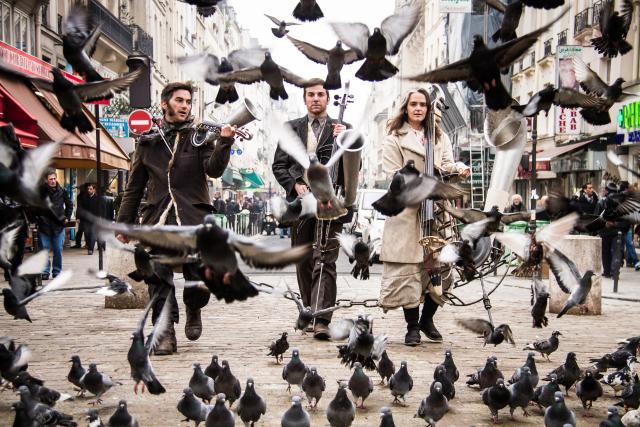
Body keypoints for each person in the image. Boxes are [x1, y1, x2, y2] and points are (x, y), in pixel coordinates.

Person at [116, 82, 236, 355]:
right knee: (157, 275)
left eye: (188, 102)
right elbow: (134, 187)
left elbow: (214, 170)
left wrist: (224, 142)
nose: (184, 106)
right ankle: (165, 331)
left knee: (197, 275)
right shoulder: (147, 142)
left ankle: (194, 307)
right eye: (179, 101)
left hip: (193, 217)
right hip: (158, 218)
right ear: (165, 103)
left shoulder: (200, 136)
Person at [378, 88, 470, 346]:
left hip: (438, 210)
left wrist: (458, 169)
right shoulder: (394, 137)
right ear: (405, 108)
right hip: (407, 210)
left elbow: (449, 164)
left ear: (429, 109)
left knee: (443, 266)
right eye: (413, 104)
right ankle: (412, 327)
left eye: (423, 105)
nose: (418, 108)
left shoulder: (439, 137)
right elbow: (393, 172)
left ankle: (428, 318)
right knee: (408, 269)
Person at [272, 78, 352, 340]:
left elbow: (354, 169)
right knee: (304, 260)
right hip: (302, 206)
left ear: (328, 99)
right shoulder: (291, 129)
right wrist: (295, 185)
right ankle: (308, 308)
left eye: (320, 94)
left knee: (326, 259)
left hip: (331, 204)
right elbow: (279, 166)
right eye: (311, 95)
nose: (316, 98)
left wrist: (345, 141)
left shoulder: (343, 128)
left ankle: (322, 317)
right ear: (305, 99)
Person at [38, 171, 73, 280]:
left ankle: (57, 271)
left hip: (59, 225)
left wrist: (67, 217)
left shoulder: (62, 191)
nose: (53, 181)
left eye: (54, 179)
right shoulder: (41, 192)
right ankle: (45, 271)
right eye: (50, 179)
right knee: (44, 249)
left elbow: (70, 204)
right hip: (44, 224)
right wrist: (37, 218)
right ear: (46, 180)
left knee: (58, 249)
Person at [595, 182, 629, 278]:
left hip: (609, 232)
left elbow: (597, 218)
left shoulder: (602, 202)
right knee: (616, 251)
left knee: (608, 252)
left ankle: (609, 271)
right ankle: (612, 272)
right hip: (615, 232)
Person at [83, 184, 101, 255]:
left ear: (94, 189)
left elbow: (100, 209)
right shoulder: (85, 198)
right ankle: (89, 246)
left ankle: (90, 249)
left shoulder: (97, 198)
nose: (89, 190)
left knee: (93, 234)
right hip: (86, 219)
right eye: (88, 189)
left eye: (90, 189)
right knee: (87, 234)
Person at [73, 183, 89, 248]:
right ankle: (87, 244)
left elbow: (79, 207)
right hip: (88, 216)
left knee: (80, 231)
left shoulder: (80, 196)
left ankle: (78, 243)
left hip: (82, 216)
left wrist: (77, 217)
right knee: (86, 231)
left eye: (79, 188)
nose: (78, 190)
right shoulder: (88, 195)